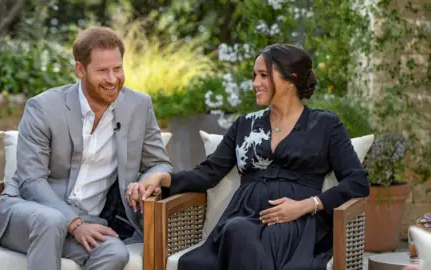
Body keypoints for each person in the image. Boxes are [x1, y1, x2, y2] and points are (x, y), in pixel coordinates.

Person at [129, 44, 370, 270]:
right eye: (255, 75)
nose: (255, 83)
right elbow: (208, 173)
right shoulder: (245, 125)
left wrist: (307, 206)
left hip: (297, 223)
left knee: (238, 233)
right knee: (236, 231)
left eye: (264, 75)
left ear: (290, 80)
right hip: (244, 217)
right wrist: (163, 178)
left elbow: (357, 182)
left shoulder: (325, 125)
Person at [0, 26, 172, 270]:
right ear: (80, 69)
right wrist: (73, 223)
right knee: (51, 220)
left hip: (88, 220)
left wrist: (148, 180)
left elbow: (159, 163)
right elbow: (31, 180)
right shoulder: (43, 108)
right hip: (28, 216)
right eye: (102, 71)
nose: (112, 79)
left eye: (117, 69)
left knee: (114, 253)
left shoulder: (139, 106)